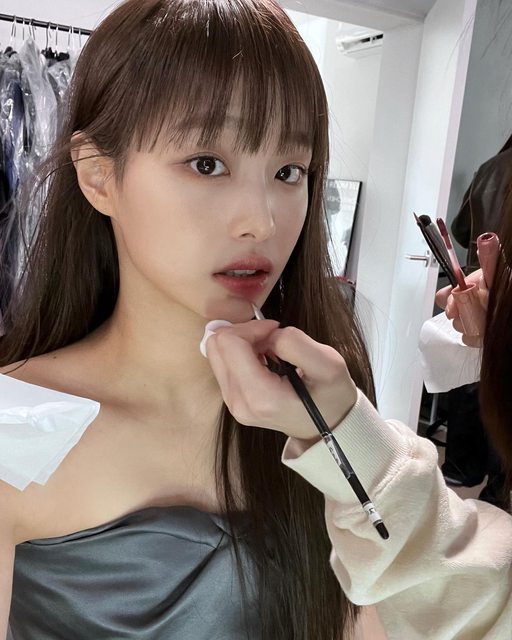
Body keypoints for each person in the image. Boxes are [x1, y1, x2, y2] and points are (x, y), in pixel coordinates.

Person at [0, 3, 511, 640]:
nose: (262, 222)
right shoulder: (17, 425)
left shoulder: (321, 410)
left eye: (289, 172)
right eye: (206, 164)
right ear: (97, 175)